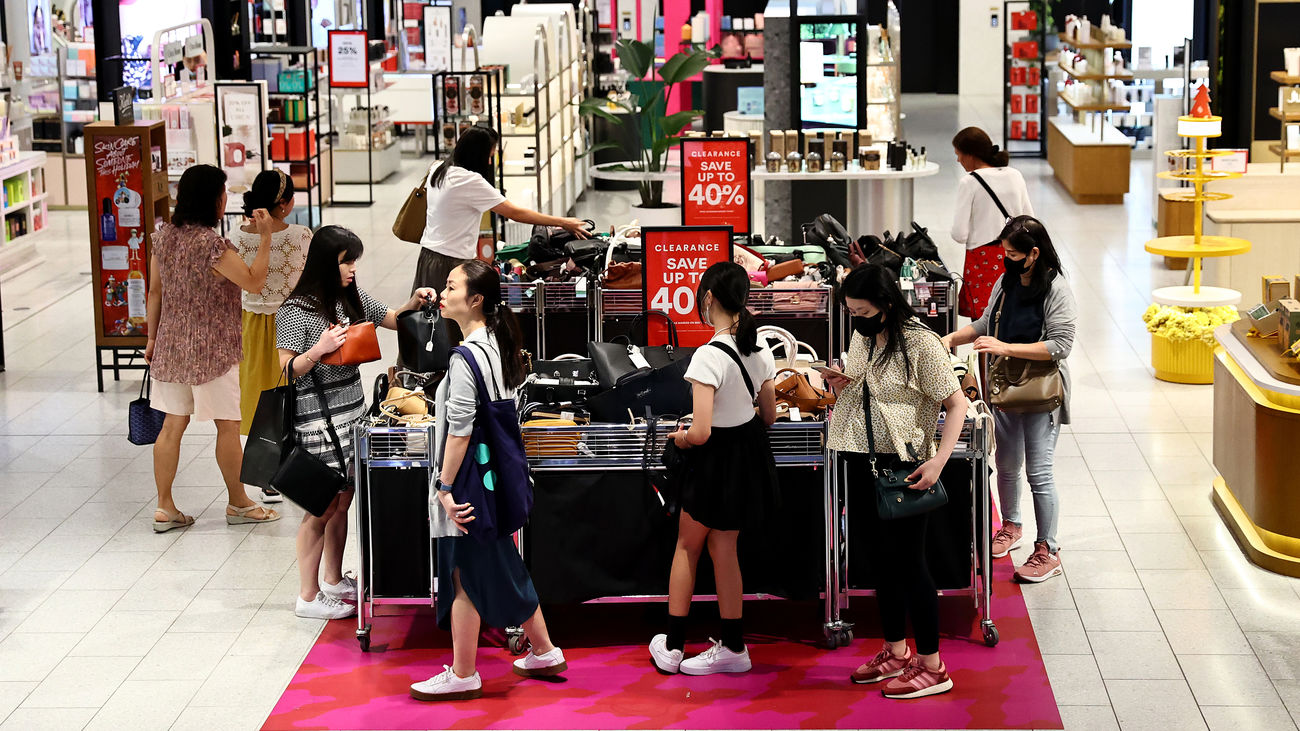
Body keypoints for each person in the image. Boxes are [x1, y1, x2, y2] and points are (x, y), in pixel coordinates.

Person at [410, 260, 566, 701]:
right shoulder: (495, 345)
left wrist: (443, 488)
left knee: (465, 575)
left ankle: (464, 674)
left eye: (451, 286)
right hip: (492, 479)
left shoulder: (465, 358)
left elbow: (460, 431)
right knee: (491, 567)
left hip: (469, 483)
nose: (443, 293)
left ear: (475, 299)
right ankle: (544, 650)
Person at [822, 264, 968, 699]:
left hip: (906, 465)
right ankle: (896, 650)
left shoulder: (921, 342)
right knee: (879, 560)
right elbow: (866, 392)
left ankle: (933, 665)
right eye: (851, 312)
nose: (856, 319)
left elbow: (957, 404)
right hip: (859, 456)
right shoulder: (863, 336)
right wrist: (842, 384)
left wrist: (939, 461)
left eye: (863, 311)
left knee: (910, 562)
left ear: (886, 304)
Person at [276, 226, 437, 619]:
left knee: (343, 500)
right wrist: (319, 349)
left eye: (353, 262)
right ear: (324, 263)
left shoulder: (349, 296)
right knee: (320, 508)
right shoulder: (294, 310)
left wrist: (413, 302)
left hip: (352, 415)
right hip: (318, 422)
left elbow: (392, 318)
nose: (352, 269)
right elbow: (287, 368)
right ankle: (308, 596)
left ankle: (333, 580)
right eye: (345, 262)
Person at [648, 262, 778, 676]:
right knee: (725, 549)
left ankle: (672, 646)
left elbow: (701, 431)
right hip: (745, 459)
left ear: (707, 298)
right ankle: (734, 646)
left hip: (711, 463)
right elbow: (769, 415)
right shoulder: (761, 349)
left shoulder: (708, 355)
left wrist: (680, 437)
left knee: (687, 547)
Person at [145, 164, 280, 532]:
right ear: (212, 200)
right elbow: (253, 282)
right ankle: (239, 503)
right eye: (223, 194)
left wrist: (152, 340)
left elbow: (155, 292)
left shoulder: (163, 238)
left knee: (172, 426)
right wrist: (266, 238)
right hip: (213, 350)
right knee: (227, 426)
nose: (225, 200)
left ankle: (164, 507)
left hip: (171, 346)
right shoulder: (211, 245)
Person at [942, 216, 1075, 583]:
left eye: (1013, 254)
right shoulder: (1006, 282)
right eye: (1005, 253)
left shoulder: (1057, 290)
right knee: (1006, 464)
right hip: (1004, 388)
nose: (1006, 259)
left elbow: (1060, 345)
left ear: (1034, 254)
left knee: (1039, 473)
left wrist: (1006, 347)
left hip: (1042, 394)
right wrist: (951, 338)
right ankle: (1011, 526)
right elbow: (986, 323)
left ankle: (1048, 549)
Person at [410, 126, 589, 343]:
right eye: (489, 155)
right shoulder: (469, 181)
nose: (489, 162)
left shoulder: (439, 169)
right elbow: (515, 212)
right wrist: (563, 222)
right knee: (449, 327)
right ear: (478, 154)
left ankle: (416, 364)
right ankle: (452, 364)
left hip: (428, 257)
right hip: (450, 262)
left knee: (425, 322)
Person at [236, 169, 311, 504]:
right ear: (284, 203)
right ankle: (298, 467)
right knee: (296, 395)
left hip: (251, 324)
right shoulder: (301, 235)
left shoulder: (237, 235)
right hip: (293, 323)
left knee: (260, 398)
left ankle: (266, 476)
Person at [950, 126, 1034, 319]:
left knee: (984, 320)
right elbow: (1029, 219)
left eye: (959, 154)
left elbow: (959, 234)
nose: (958, 160)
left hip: (982, 260)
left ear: (970, 155)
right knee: (1011, 313)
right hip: (1016, 255)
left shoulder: (969, 182)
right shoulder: (1015, 175)